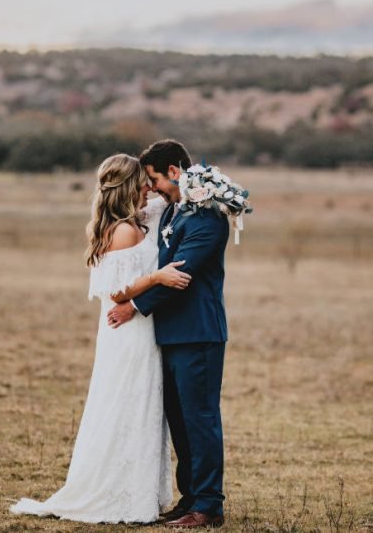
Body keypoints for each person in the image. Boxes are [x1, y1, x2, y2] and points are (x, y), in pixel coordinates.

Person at [9, 153, 191, 524]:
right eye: (142, 185)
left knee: (143, 406)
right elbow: (115, 291)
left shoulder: (139, 219)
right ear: (128, 188)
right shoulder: (122, 231)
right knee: (128, 403)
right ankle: (117, 494)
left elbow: (173, 195)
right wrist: (156, 278)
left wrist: (205, 185)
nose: (148, 190)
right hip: (126, 333)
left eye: (148, 183)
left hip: (142, 330)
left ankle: (138, 491)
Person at [106, 139, 231, 529]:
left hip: (198, 333)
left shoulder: (208, 217)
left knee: (201, 419)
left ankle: (209, 505)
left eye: (156, 179)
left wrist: (135, 306)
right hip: (171, 335)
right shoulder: (177, 209)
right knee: (179, 421)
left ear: (174, 172)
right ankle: (189, 497)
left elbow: (181, 275)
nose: (153, 187)